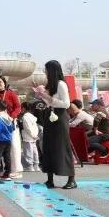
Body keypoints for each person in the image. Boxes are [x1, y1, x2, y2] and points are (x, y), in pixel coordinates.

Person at [33, 60, 76, 189]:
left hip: (60, 116)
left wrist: (49, 98)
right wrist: (42, 95)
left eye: (46, 70)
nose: (45, 72)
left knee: (62, 147)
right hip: (50, 115)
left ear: (52, 71)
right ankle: (50, 179)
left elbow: (66, 104)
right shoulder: (50, 85)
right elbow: (49, 102)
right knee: (48, 147)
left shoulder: (61, 84)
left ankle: (71, 179)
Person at [20, 102, 40, 172]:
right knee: (34, 151)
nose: (21, 109)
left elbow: (27, 128)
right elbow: (35, 127)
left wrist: (32, 135)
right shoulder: (32, 116)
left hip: (28, 136)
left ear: (24, 108)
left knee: (28, 151)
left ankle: (30, 166)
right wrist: (35, 135)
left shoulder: (25, 117)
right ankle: (36, 165)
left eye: (21, 108)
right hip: (33, 136)